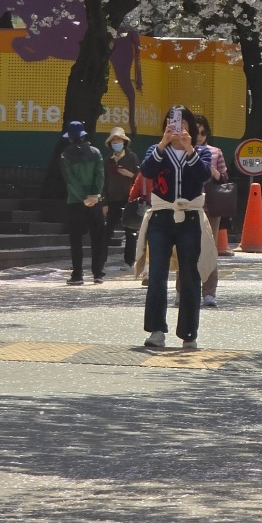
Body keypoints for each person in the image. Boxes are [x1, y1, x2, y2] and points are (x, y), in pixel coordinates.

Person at [136, 107, 214, 350]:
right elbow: (147, 171)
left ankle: (189, 333)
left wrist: (189, 148)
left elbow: (202, 176)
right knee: (157, 273)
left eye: (181, 122)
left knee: (190, 274)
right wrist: (163, 144)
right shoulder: (156, 150)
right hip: (161, 216)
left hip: (190, 217)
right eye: (171, 122)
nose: (177, 126)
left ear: (189, 126)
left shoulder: (201, 152)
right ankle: (156, 330)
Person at [60, 121, 106, 286]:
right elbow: (100, 176)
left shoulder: (65, 155)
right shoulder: (96, 152)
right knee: (97, 237)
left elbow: (70, 181)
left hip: (75, 202)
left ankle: (78, 275)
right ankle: (98, 273)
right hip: (96, 201)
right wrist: (95, 195)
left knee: (76, 239)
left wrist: (83, 197)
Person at [194, 114, 227, 307]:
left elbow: (224, 178)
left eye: (203, 132)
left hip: (211, 207)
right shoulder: (182, 150)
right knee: (186, 248)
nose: (199, 136)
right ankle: (182, 290)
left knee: (210, 249)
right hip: (188, 204)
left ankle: (209, 292)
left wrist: (213, 170)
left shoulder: (215, 152)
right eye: (196, 132)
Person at [102, 127, 140, 267]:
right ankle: (101, 260)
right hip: (112, 200)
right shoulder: (107, 160)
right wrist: (104, 202)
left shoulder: (132, 157)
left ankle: (129, 261)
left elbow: (140, 178)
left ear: (124, 141)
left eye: (118, 139)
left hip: (129, 199)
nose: (116, 142)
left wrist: (128, 174)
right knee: (106, 231)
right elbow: (103, 182)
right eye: (114, 140)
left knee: (130, 231)